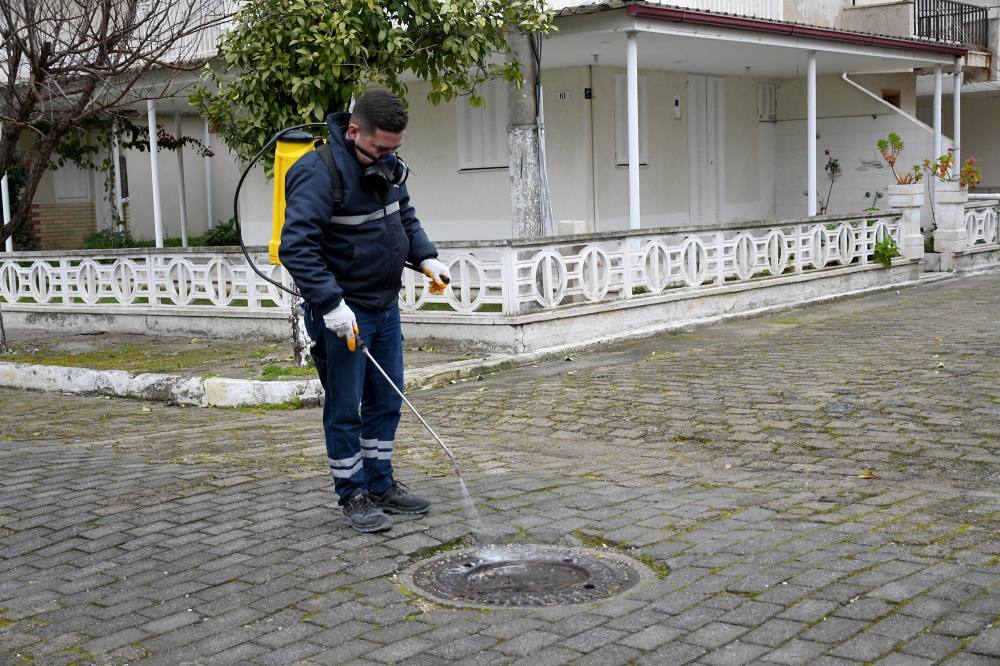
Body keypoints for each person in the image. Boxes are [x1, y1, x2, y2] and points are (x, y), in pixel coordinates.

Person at [279, 89, 451, 533]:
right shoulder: (317, 173)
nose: (389, 157)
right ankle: (352, 493)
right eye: (380, 148)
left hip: (384, 306)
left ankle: (380, 484)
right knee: (345, 408)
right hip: (343, 316)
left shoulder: (388, 165)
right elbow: (295, 248)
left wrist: (426, 256)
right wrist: (330, 303)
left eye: (396, 149)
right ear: (354, 130)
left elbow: (404, 216)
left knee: (386, 399)